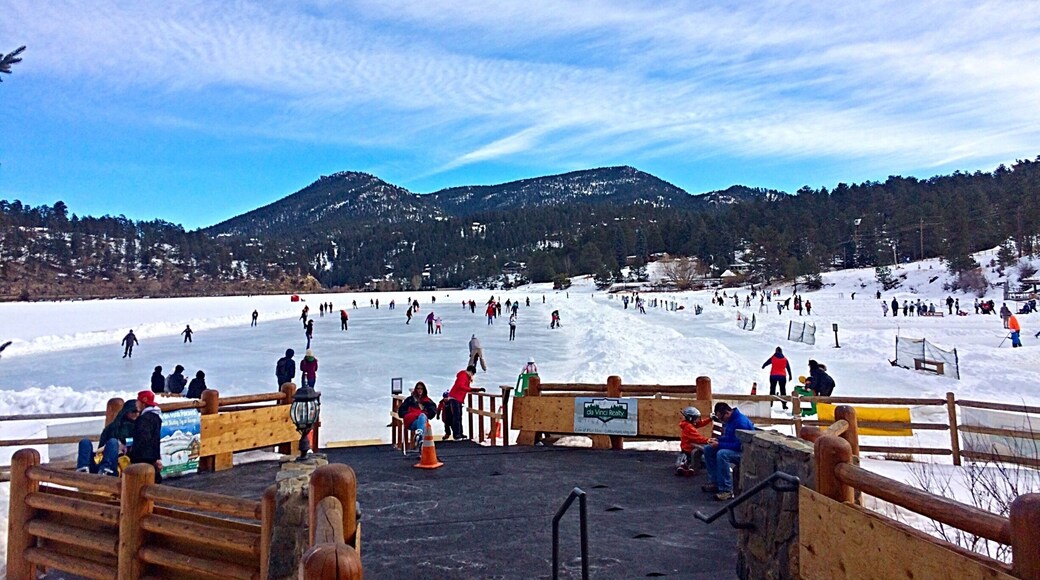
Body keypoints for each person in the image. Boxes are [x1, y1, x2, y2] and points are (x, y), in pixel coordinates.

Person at [702, 402, 755, 501]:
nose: (722, 421)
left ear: (727, 413)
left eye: (721, 418)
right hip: (737, 448)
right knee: (708, 449)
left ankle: (727, 490)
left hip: (745, 452)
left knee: (722, 454)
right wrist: (719, 440)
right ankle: (715, 482)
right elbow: (730, 438)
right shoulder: (731, 420)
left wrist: (720, 445)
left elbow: (740, 445)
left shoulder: (740, 423)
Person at [77, 399, 138, 476]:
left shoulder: (140, 427)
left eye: (138, 411)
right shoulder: (113, 427)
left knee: (113, 442)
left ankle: (107, 469)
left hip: (122, 461)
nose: (136, 414)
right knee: (84, 442)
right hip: (102, 456)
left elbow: (139, 441)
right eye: (133, 411)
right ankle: (83, 468)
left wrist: (124, 443)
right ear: (126, 411)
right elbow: (102, 444)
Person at [129, 390, 163, 483]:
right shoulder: (156, 417)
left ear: (143, 403)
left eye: (138, 401)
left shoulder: (144, 419)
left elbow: (143, 439)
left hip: (144, 457)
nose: (136, 403)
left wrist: (133, 454)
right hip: (153, 455)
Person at [446, 365, 483, 440]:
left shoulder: (465, 376)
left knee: (459, 416)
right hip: (455, 397)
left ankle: (459, 433)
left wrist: (475, 389)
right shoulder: (463, 375)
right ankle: (456, 434)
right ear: (471, 372)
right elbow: (460, 386)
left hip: (458, 398)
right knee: (456, 416)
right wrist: (472, 389)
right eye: (472, 374)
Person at [397, 382, 437, 450]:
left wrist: (424, 413)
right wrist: (410, 414)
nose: (420, 390)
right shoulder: (409, 400)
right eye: (418, 388)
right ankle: (421, 443)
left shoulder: (427, 401)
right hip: (411, 422)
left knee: (422, 417)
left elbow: (433, 411)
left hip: (421, 420)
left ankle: (419, 437)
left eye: (421, 388)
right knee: (423, 421)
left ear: (424, 390)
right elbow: (401, 412)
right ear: (416, 389)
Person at [676, 406, 712, 476]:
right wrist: (708, 440)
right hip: (689, 449)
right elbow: (698, 438)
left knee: (688, 460)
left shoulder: (687, 424)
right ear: (691, 418)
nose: (699, 419)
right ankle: (689, 469)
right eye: (697, 418)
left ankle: (684, 466)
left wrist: (710, 419)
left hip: (685, 448)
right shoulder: (689, 427)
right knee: (696, 458)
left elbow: (700, 423)